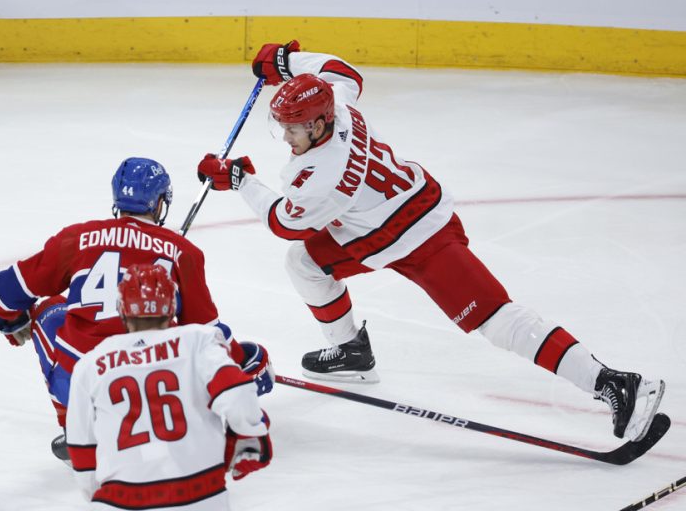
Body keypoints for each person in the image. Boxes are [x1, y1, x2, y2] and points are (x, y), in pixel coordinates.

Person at [195, 41, 665, 442]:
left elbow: (285, 221)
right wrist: (287, 64)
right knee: (305, 264)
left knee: (496, 319)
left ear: (318, 124)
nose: (286, 137)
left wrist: (238, 179)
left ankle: (614, 383)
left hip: (422, 236)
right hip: (377, 224)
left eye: (293, 129)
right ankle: (352, 350)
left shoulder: (322, 175)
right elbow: (341, 70)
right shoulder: (339, 103)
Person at [0, 157, 273, 460]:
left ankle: (75, 426)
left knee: (52, 309)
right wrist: (248, 360)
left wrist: (14, 320)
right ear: (160, 203)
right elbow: (207, 334)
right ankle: (162, 421)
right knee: (178, 338)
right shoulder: (184, 252)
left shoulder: (77, 238)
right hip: (153, 391)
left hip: (85, 384)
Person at [66, 263, 271, 510]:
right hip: (200, 496)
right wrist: (250, 437)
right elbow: (237, 393)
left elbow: (82, 449)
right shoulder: (198, 339)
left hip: (120, 501)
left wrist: (97, 496)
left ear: (122, 308)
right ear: (172, 305)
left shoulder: (90, 363)